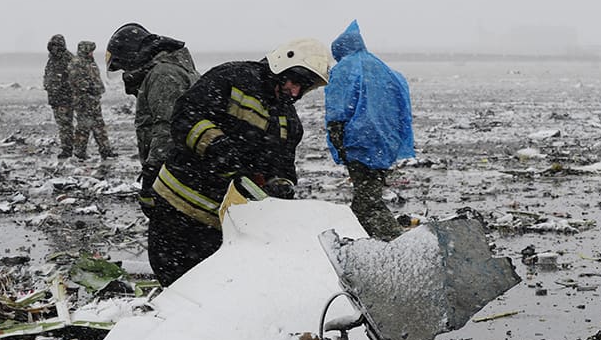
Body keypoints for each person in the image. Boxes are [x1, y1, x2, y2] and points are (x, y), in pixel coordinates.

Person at [144, 38, 332, 286]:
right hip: (176, 207)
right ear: (281, 65)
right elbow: (185, 116)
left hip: (221, 224)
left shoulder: (289, 122)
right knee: (174, 284)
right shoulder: (232, 78)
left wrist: (281, 185)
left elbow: (283, 166)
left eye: (303, 87)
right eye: (295, 81)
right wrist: (214, 146)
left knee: (205, 290)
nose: (295, 92)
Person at [325, 20, 415, 240]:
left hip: (359, 141)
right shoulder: (384, 69)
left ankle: (395, 245)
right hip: (385, 142)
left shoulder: (345, 68)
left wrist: (338, 141)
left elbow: (338, 109)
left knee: (367, 204)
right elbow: (401, 106)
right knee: (367, 197)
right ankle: (371, 242)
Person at [105, 23, 199, 217]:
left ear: (131, 56)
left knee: (171, 232)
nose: (124, 72)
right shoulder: (166, 71)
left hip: (177, 172)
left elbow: (167, 126)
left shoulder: (163, 74)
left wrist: (153, 171)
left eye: (123, 65)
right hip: (182, 168)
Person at [68, 40, 115, 160]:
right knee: (83, 127)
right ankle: (79, 152)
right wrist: (89, 88)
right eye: (90, 51)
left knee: (99, 126)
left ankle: (106, 150)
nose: (92, 53)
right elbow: (76, 80)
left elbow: (95, 78)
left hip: (94, 100)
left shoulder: (90, 62)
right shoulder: (76, 62)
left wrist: (98, 89)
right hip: (83, 101)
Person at [43, 34, 75, 159]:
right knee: (62, 124)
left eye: (57, 46)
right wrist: (48, 87)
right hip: (55, 98)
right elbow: (47, 76)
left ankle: (67, 149)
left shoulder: (69, 59)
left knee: (65, 125)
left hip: (65, 98)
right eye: (53, 46)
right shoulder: (51, 60)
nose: (54, 49)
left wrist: (63, 88)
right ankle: (67, 147)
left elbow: (74, 78)